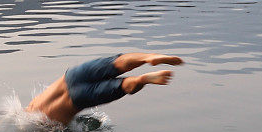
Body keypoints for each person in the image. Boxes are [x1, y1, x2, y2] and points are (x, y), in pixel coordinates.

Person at [26, 53, 183, 125]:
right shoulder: (34, 103)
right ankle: (147, 57)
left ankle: (142, 79)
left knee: (122, 86)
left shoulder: (38, 122)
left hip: (76, 100)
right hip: (72, 76)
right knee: (116, 62)